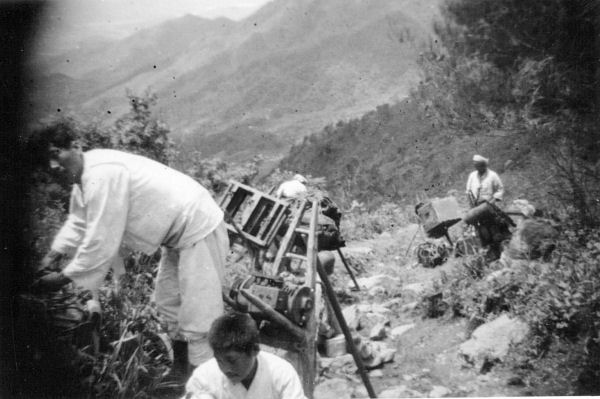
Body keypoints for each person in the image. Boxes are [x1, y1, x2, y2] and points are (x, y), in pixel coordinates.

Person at [33, 125, 229, 382]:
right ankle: (180, 377)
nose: (53, 165)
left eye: (56, 153)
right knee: (169, 302)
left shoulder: (101, 174)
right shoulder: (83, 179)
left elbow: (99, 242)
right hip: (178, 237)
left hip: (197, 226)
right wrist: (50, 258)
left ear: (76, 146)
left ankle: (205, 385)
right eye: (46, 161)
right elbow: (79, 222)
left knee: (200, 314)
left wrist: (60, 279)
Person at [183, 311, 307, 399]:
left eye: (232, 360)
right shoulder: (203, 377)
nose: (225, 369)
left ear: (255, 350)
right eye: (219, 361)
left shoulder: (281, 373)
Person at [465, 154, 509, 260]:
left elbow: (500, 189)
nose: (477, 168)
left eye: (479, 166)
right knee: (482, 231)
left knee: (494, 229)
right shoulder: (472, 176)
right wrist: (471, 205)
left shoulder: (492, 175)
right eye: (476, 166)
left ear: (484, 165)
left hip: (489, 206)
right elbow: (468, 191)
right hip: (476, 208)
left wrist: (494, 200)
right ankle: (490, 253)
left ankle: (501, 252)